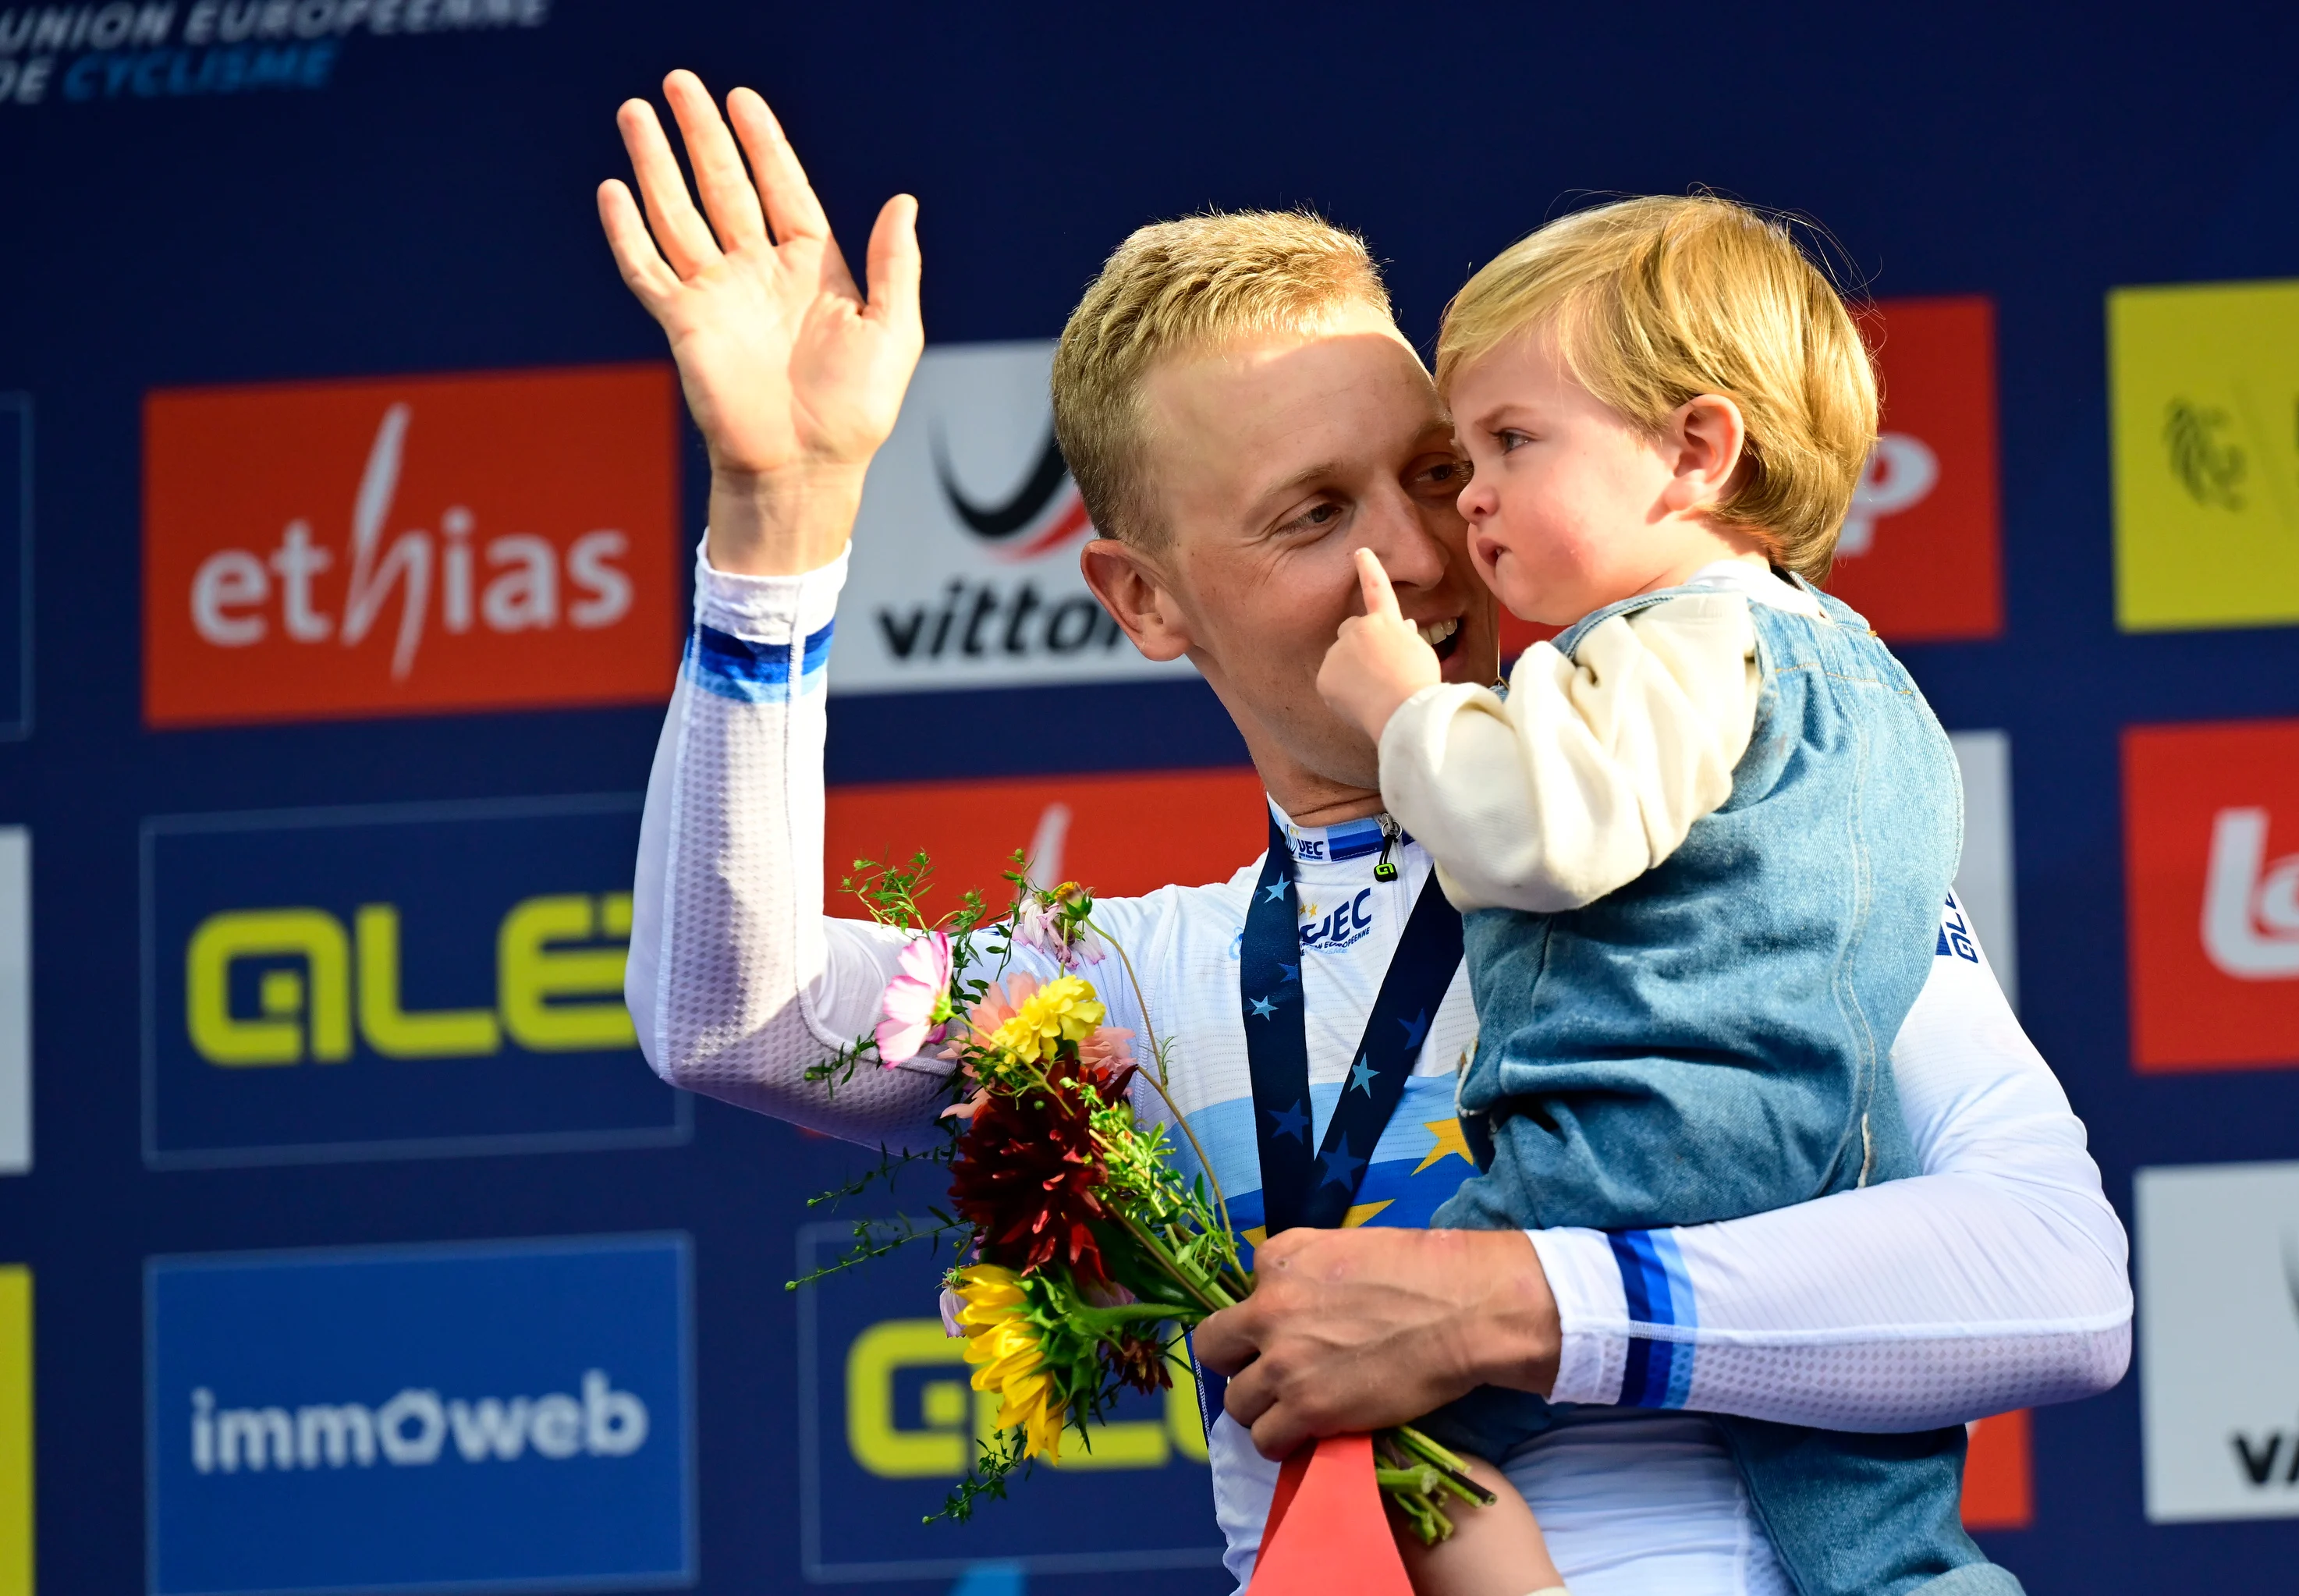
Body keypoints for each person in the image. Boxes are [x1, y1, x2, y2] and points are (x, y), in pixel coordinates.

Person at [598, 71, 2131, 1595]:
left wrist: (1502, 1309)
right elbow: (732, 1017)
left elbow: (2058, 1286)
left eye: (1442, 471)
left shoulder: (1721, 836)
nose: (1419, 552)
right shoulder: (1136, 983)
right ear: (1143, 600)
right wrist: (775, 520)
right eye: (1311, 515)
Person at [1316, 196, 2002, 1596]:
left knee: (1363, 1395)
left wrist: (1408, 716)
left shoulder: (1673, 641)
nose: (1473, 496)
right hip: (1831, 1197)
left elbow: (1542, 830)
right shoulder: (1867, 675)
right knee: (1868, 1526)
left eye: (1511, 441)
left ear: (1695, 451)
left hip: (1629, 1162)